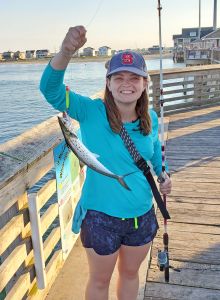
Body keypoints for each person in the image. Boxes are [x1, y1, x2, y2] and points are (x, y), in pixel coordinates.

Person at [40, 26, 172, 300]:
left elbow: (154, 158)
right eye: (119, 77)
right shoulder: (89, 110)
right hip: (100, 217)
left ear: (145, 83)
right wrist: (65, 51)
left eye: (134, 77)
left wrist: (164, 175)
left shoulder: (151, 117)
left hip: (142, 215)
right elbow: (50, 90)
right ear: (108, 83)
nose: (127, 83)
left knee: (130, 275)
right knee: (99, 281)